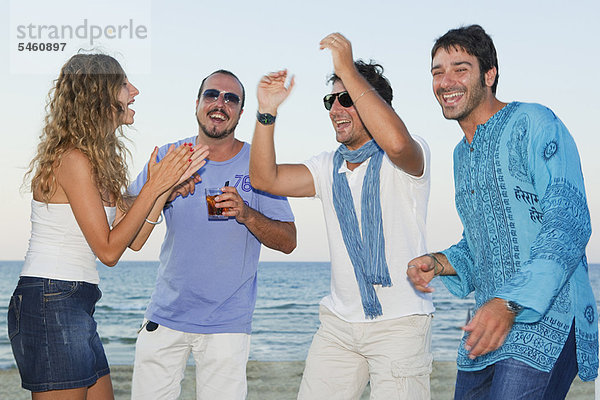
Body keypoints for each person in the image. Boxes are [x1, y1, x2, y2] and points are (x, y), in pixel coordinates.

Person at [406, 24, 598, 399]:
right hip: (488, 322)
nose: (446, 81)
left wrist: (511, 303)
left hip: (547, 313)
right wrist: (440, 261)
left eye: (460, 68)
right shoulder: (461, 155)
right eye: (437, 72)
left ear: (489, 75)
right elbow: (482, 242)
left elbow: (568, 220)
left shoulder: (535, 122)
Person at [7, 54, 208, 399]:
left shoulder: (101, 160)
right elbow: (109, 250)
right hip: (50, 299)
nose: (135, 91)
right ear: (99, 95)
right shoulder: (73, 159)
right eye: (124, 85)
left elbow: (135, 239)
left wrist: (165, 192)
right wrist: (154, 186)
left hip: (75, 301)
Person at [250, 33, 434, 399]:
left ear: (375, 104)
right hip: (338, 325)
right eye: (330, 100)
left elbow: (396, 143)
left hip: (400, 324)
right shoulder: (324, 167)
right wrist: (266, 111)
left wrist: (346, 67)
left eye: (347, 99)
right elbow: (263, 178)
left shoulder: (408, 157)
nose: (335, 109)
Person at [128, 69, 297, 400]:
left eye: (231, 98)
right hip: (165, 315)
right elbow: (125, 211)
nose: (220, 103)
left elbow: (289, 241)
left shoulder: (258, 164)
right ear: (197, 103)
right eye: (212, 95)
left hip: (227, 324)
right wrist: (162, 191)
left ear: (241, 113)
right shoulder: (167, 156)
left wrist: (246, 213)